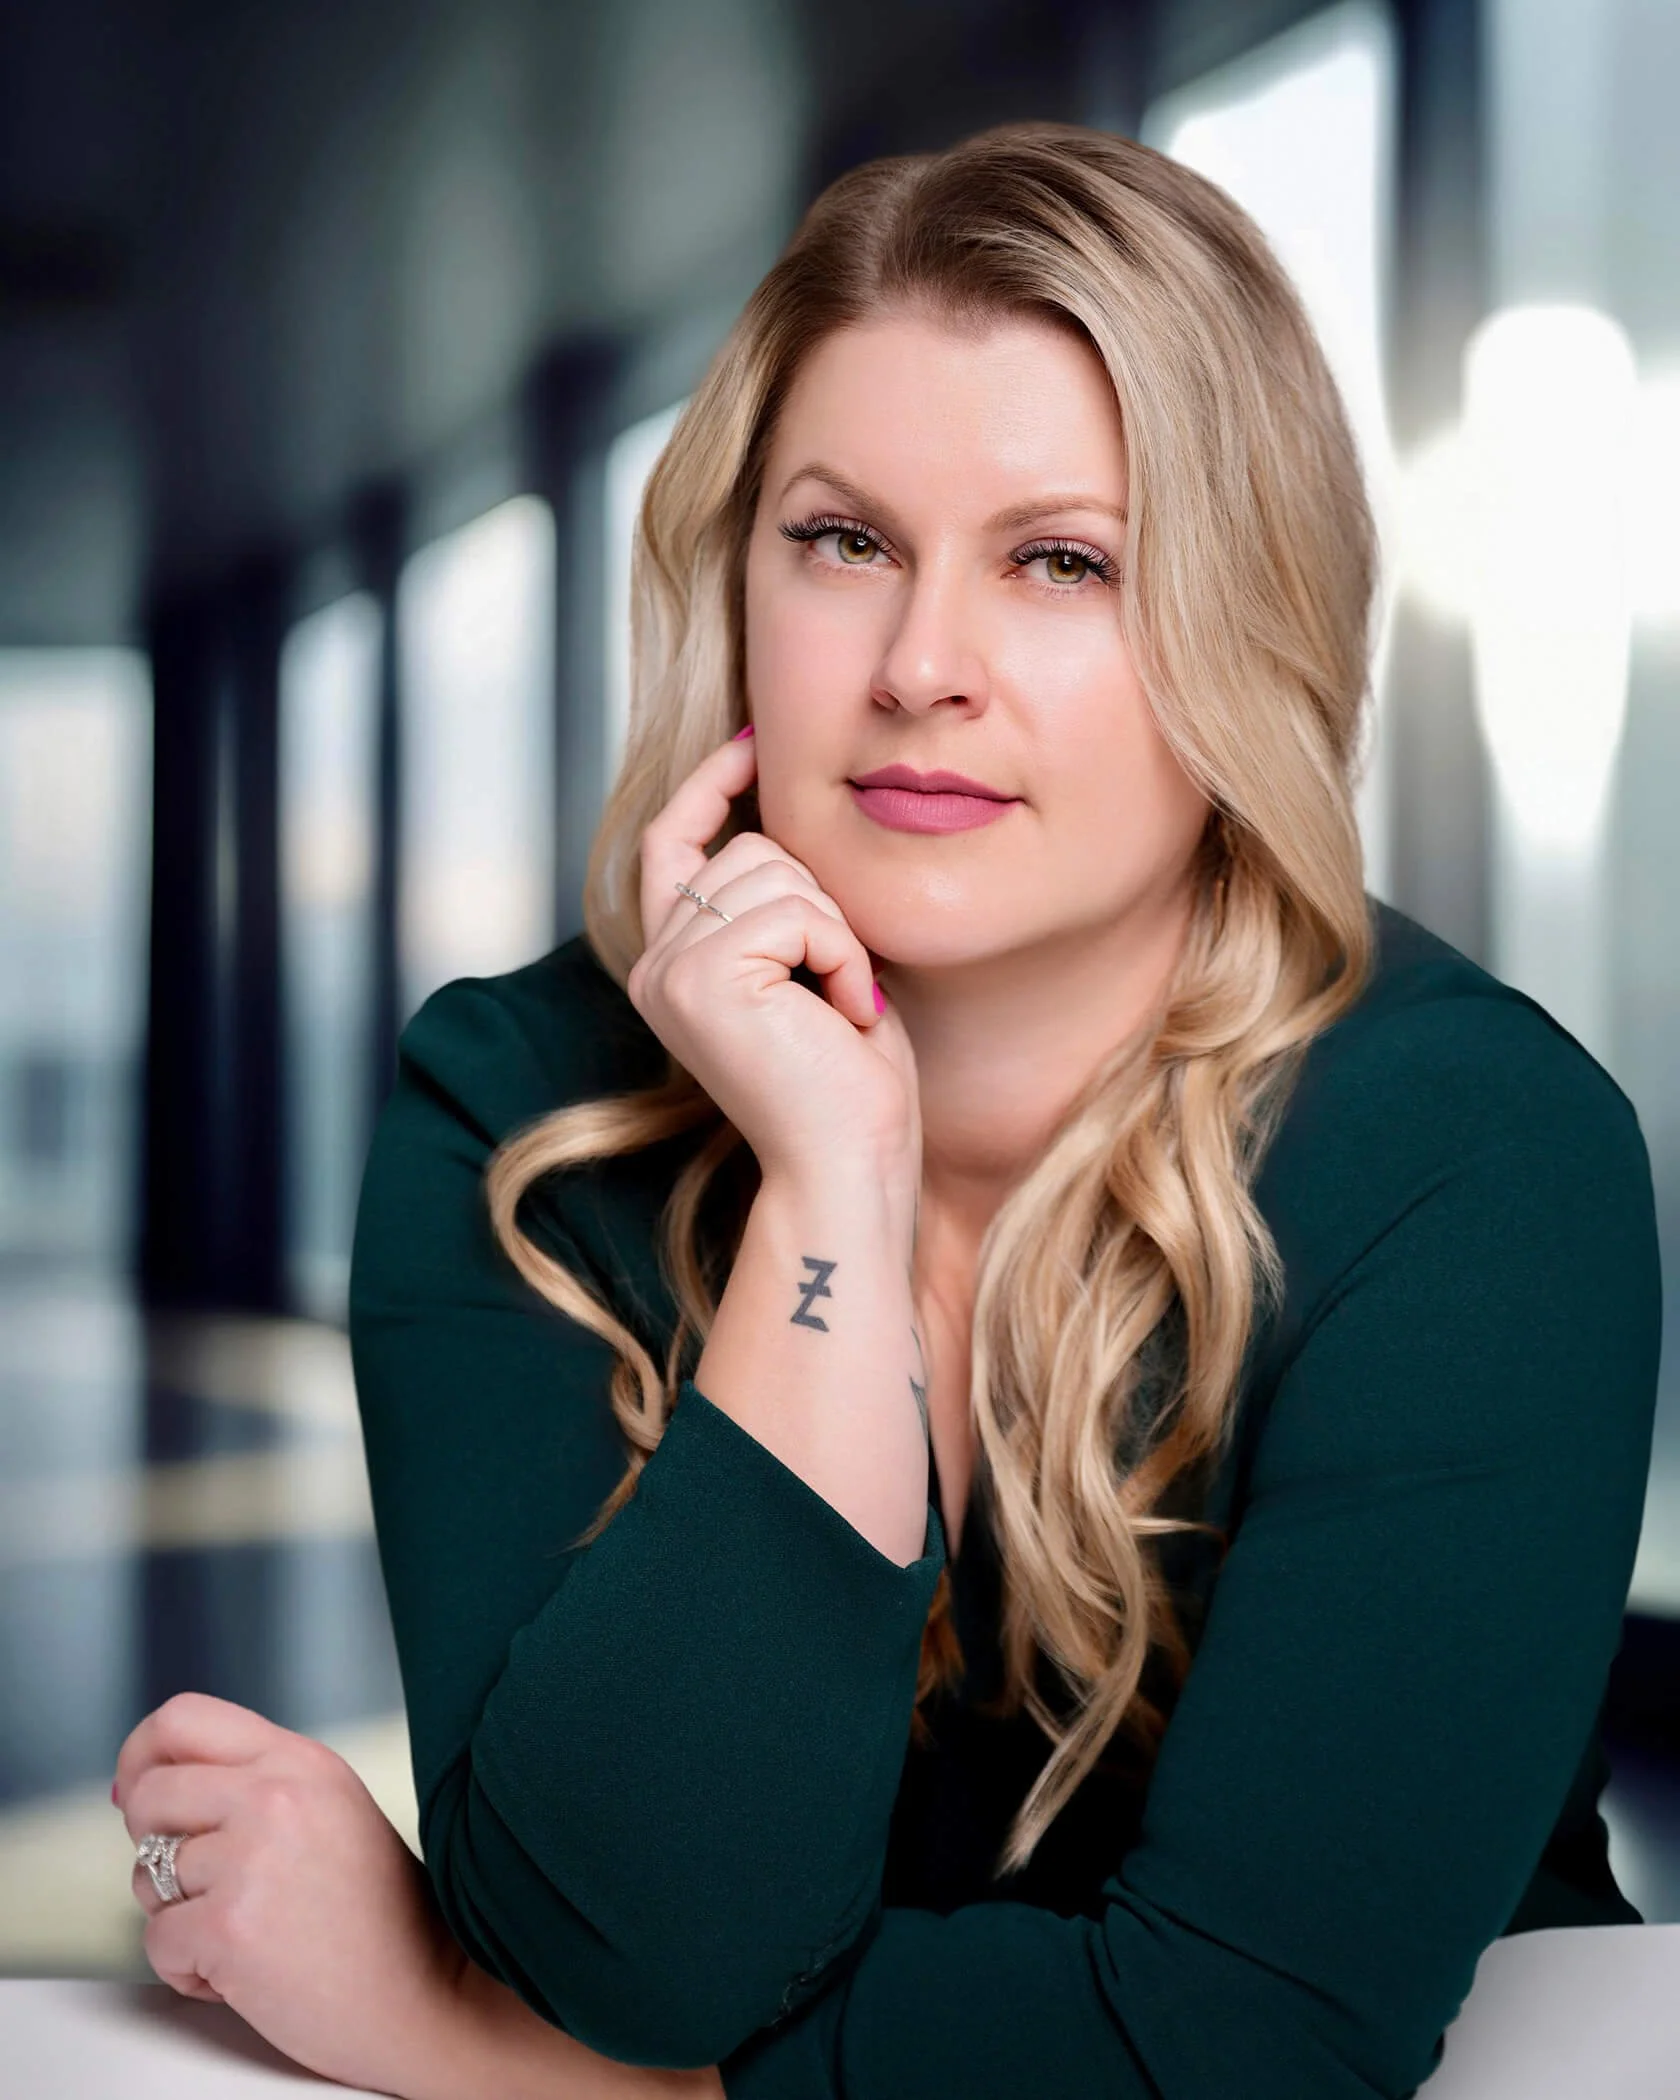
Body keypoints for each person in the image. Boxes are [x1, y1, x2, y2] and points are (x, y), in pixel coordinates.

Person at [114, 121, 1661, 2100]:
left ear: (1243, 625)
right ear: (736, 586)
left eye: (1063, 562)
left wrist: (471, 2038)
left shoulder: (1473, 1155)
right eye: (845, 543)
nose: (925, 667)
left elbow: (1244, 2060)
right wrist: (831, 1189)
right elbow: (645, 1946)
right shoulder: (512, 1112)